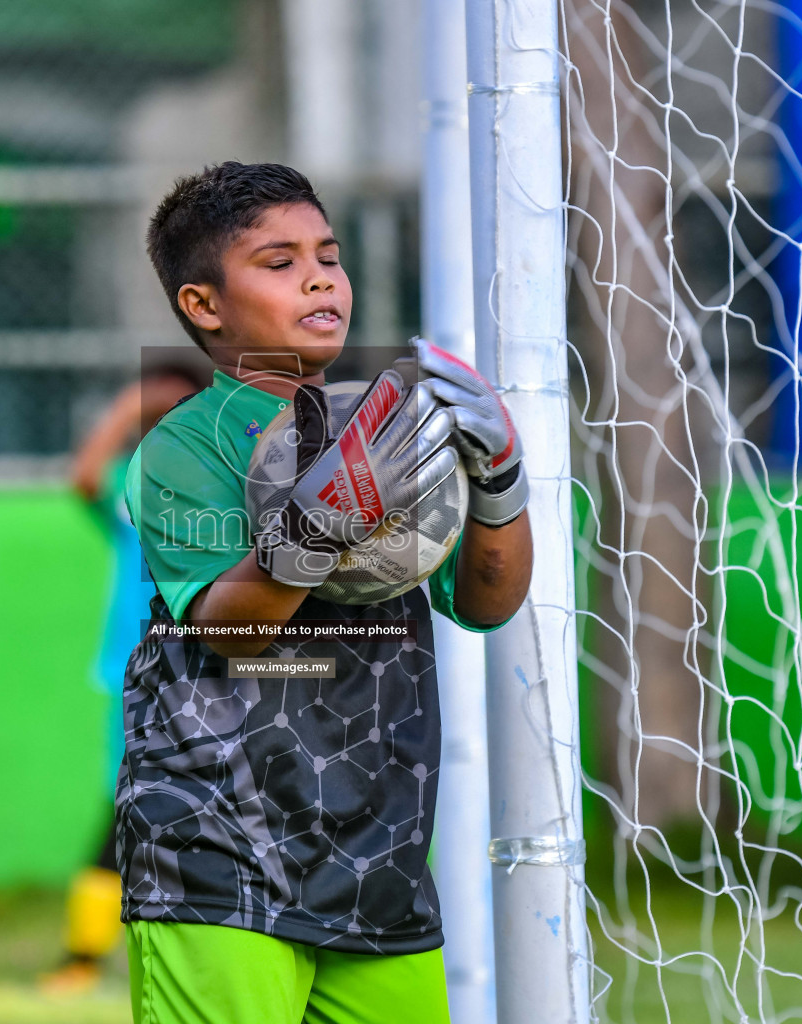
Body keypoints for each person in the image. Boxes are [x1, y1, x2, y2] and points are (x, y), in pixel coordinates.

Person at [121, 161, 533, 1023]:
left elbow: (488, 603)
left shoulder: (395, 431)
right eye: (278, 262)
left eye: (329, 256)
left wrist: (497, 479)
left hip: (376, 862)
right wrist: (321, 522)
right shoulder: (185, 447)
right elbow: (231, 629)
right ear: (203, 305)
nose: (319, 277)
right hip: (218, 846)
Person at [41, 362, 206, 994]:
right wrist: (122, 413)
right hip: (137, 676)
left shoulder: (215, 489)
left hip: (205, 672)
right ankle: (83, 957)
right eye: (151, 415)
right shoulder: (132, 495)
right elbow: (83, 476)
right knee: (127, 809)